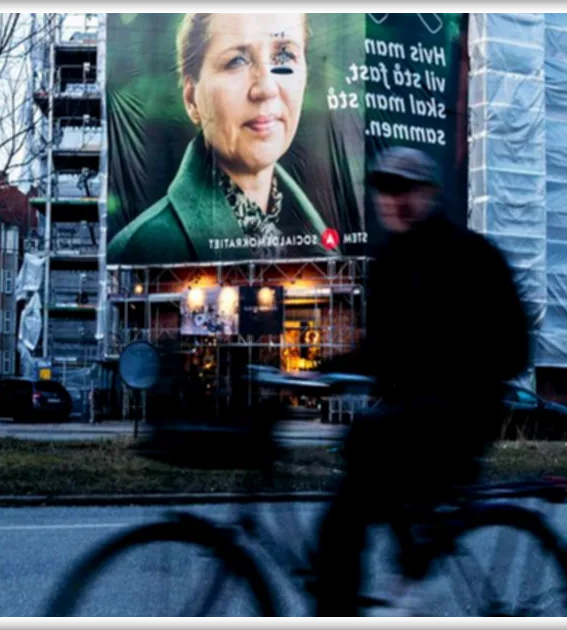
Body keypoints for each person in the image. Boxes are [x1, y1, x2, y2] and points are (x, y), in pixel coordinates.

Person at [308, 146, 533, 617]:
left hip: (463, 415)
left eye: (405, 189)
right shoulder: (389, 265)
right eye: (385, 190)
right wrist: (316, 374)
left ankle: (392, 586)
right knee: (359, 484)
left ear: (430, 193)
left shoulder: (470, 256)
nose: (394, 200)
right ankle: (400, 576)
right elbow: (381, 351)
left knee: (358, 480)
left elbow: (515, 346)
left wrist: (452, 369)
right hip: (414, 416)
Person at [107, 13, 339, 264]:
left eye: (284, 56)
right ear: (191, 99)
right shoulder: (140, 250)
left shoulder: (325, 244)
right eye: (237, 61)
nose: (267, 88)